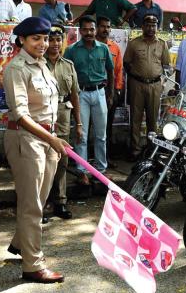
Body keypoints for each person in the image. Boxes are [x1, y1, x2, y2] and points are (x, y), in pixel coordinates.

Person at [3, 17, 69, 283]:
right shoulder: (16, 68)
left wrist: (53, 138)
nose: (43, 44)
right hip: (26, 139)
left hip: (46, 137)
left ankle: (21, 243)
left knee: (39, 200)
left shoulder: (42, 65)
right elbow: (20, 115)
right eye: (36, 39)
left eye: (45, 38)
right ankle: (33, 265)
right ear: (22, 40)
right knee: (32, 205)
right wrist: (51, 139)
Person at [63, 16, 114, 182]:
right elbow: (66, 74)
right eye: (85, 29)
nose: (89, 33)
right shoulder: (71, 50)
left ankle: (100, 169)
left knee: (101, 134)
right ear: (80, 31)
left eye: (92, 29)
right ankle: (81, 169)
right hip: (80, 94)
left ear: (96, 30)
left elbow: (111, 72)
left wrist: (110, 94)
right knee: (81, 134)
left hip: (100, 92)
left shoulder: (104, 49)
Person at [44, 24, 81, 219]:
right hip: (42, 115)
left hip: (63, 114)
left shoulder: (68, 65)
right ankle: (42, 203)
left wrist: (79, 124)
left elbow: (75, 95)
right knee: (42, 159)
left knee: (62, 160)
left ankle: (60, 202)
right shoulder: (38, 63)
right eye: (51, 39)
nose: (55, 43)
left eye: (58, 39)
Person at [124, 14, 170, 160]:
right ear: (142, 27)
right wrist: (136, 75)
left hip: (155, 86)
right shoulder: (134, 44)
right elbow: (126, 63)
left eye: (154, 25)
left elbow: (167, 66)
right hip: (137, 84)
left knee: (153, 119)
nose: (151, 28)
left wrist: (161, 81)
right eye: (148, 25)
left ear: (157, 27)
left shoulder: (162, 44)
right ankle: (135, 150)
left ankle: (151, 150)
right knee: (135, 119)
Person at [96, 15, 125, 157]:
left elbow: (119, 70)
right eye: (102, 26)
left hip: (110, 91)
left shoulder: (114, 47)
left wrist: (117, 90)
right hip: (93, 90)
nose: (105, 29)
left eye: (108, 27)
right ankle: (90, 156)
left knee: (107, 125)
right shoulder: (90, 44)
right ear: (96, 28)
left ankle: (105, 157)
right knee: (91, 125)